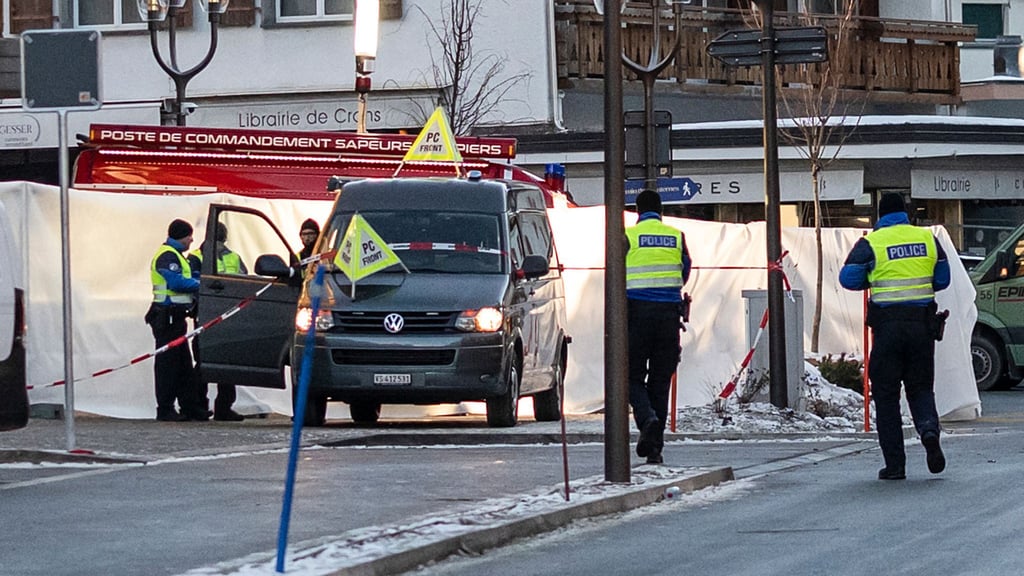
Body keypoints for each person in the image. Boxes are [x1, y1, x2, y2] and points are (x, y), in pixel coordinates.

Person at [839, 192, 951, 480]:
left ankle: (895, 465)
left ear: (880, 215)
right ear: (906, 213)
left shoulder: (871, 243)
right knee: (921, 388)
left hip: (887, 329)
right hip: (921, 328)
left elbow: (848, 279)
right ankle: (928, 431)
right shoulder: (927, 239)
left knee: (886, 396)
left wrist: (873, 278)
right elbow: (943, 279)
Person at [625, 190, 691, 464]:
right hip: (668, 317)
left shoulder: (627, 236)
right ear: (660, 211)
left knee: (631, 376)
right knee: (660, 382)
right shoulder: (676, 236)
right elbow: (684, 271)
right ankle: (655, 448)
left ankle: (646, 419)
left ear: (638, 211)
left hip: (636, 315)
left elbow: (615, 274)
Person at [145, 219, 207, 422]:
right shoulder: (167, 256)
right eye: (189, 235)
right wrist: (201, 284)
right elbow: (176, 282)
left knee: (183, 365)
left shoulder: (178, 256)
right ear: (180, 235)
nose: (191, 239)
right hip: (167, 318)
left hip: (176, 318)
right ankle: (165, 408)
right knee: (168, 365)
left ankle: (190, 407)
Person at [187, 222, 246, 422]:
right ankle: (221, 408)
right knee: (221, 362)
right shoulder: (229, 257)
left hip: (210, 315)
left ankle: (202, 406)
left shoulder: (195, 256)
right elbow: (244, 283)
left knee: (205, 362)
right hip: (218, 316)